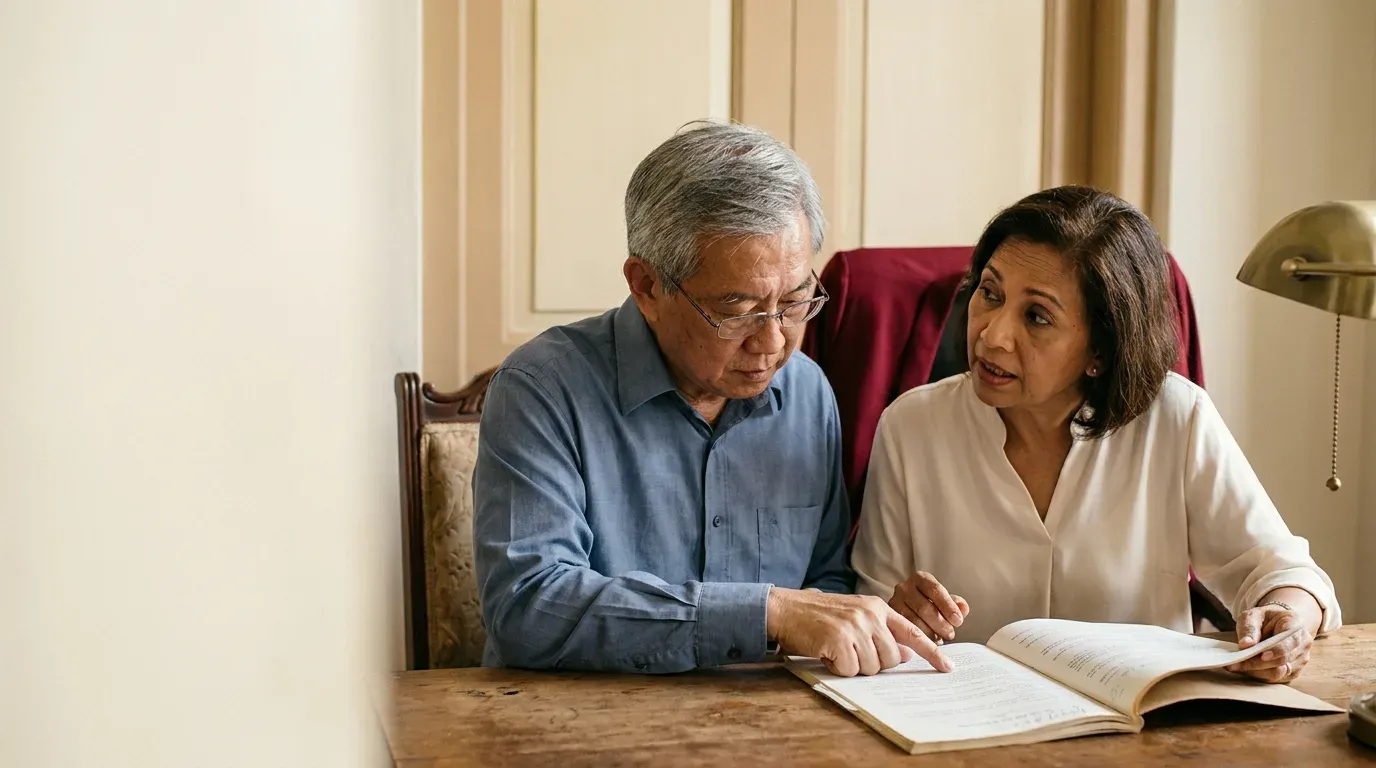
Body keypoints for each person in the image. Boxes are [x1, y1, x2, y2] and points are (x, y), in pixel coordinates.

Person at [474, 121, 949, 677]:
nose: (772, 342)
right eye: (736, 309)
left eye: (796, 301)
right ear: (647, 286)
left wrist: (873, 621)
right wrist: (765, 612)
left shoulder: (806, 391)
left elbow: (824, 584)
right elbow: (529, 606)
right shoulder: (542, 389)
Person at [851, 186, 1341, 684]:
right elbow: (867, 611)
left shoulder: (1176, 417)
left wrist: (1288, 620)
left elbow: (1282, 571)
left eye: (1036, 316)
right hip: (967, 728)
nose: (992, 335)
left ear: (1101, 351)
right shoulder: (910, 426)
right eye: (989, 293)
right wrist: (898, 613)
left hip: (1139, 729)